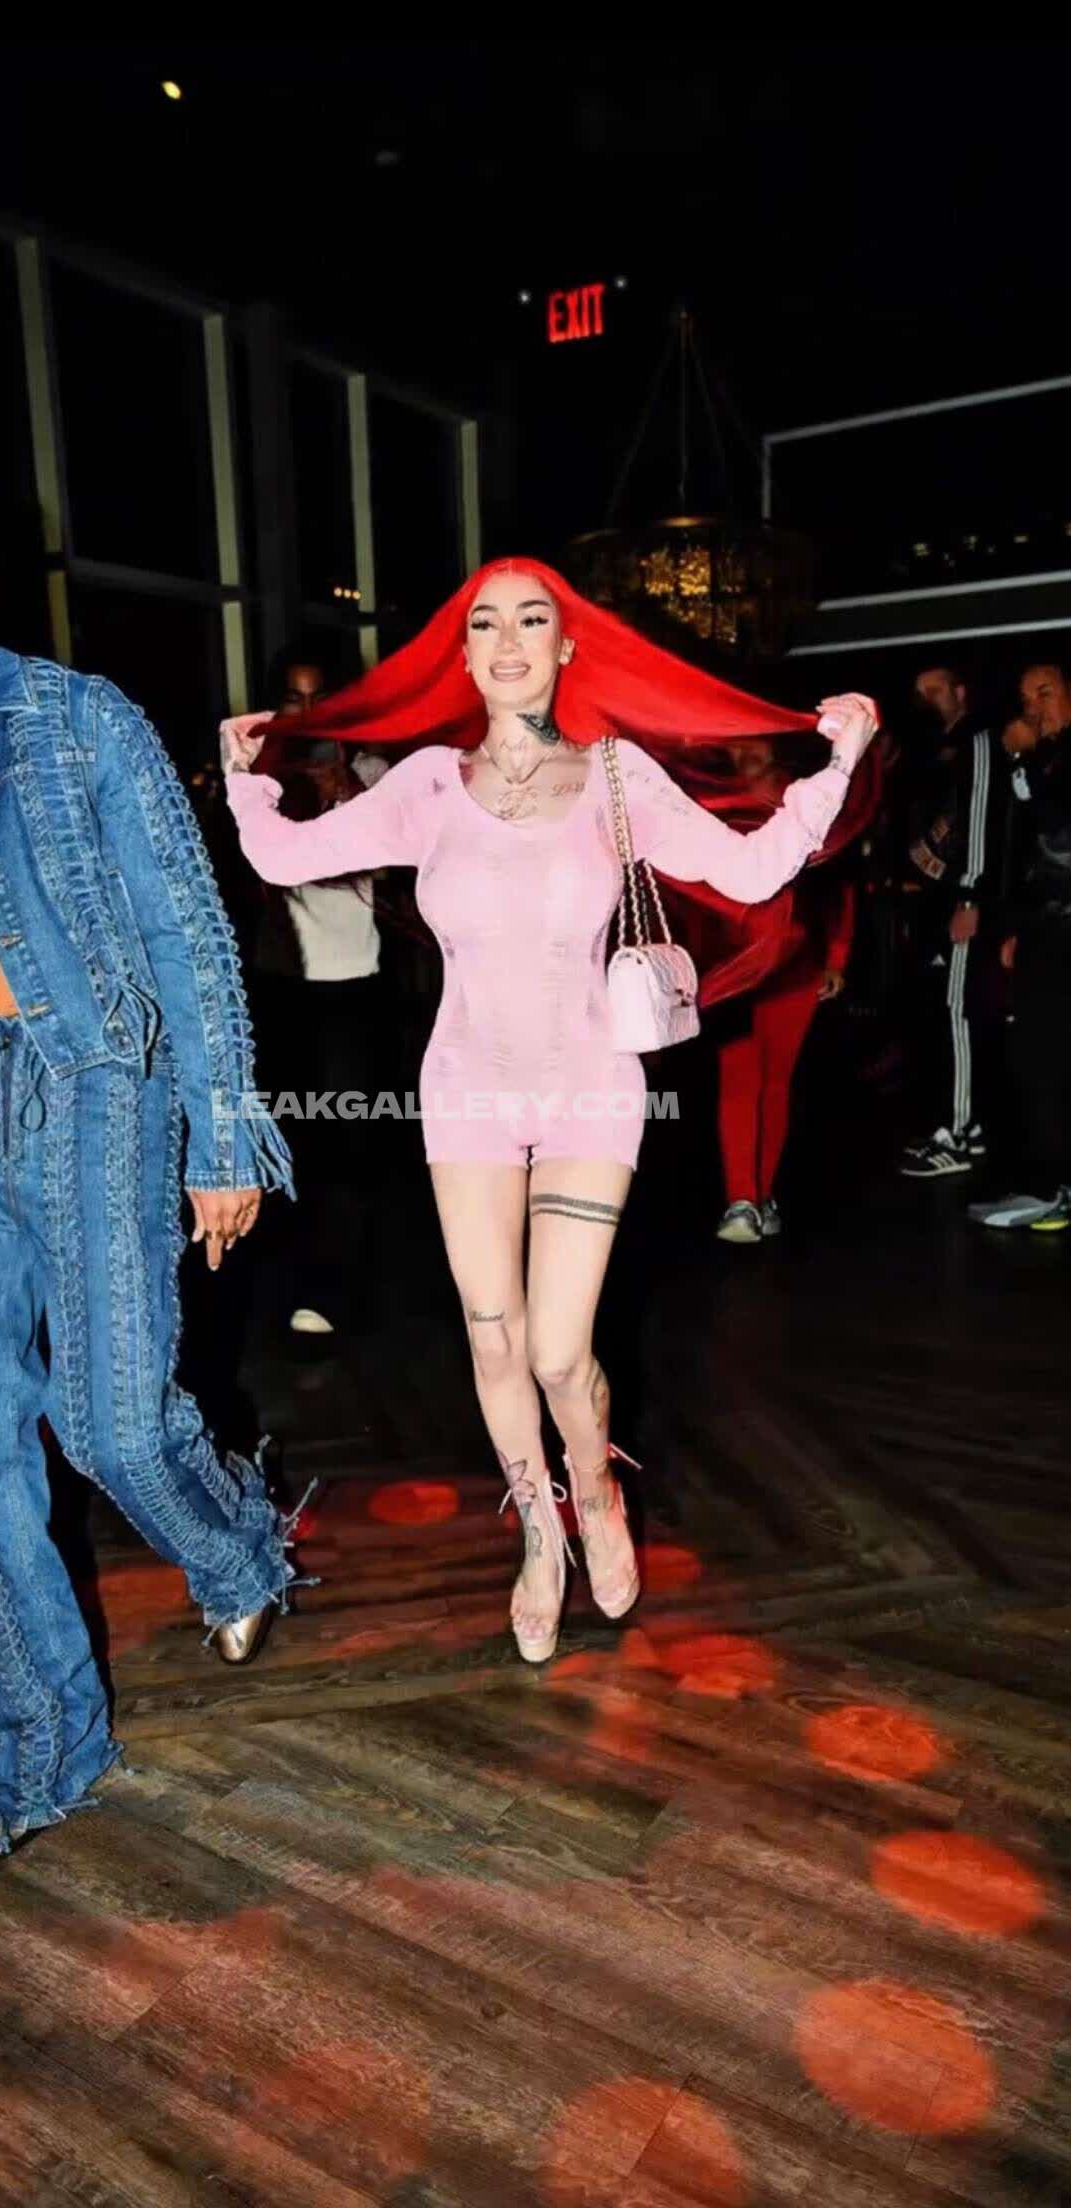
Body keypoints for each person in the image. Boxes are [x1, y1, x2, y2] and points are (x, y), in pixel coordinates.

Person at [220, 559, 877, 1664]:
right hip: (467, 1090)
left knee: (563, 1353)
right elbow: (283, 851)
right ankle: (538, 1532)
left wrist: (838, 761)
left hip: (587, 1087)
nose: (510, 640)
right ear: (464, 654)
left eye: (533, 621)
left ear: (568, 649)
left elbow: (755, 870)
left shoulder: (618, 777)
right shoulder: (429, 786)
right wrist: (248, 776)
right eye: (486, 624)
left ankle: (594, 1490)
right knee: (494, 1337)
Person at [0, 474, 295, 1880]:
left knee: (110, 1424)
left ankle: (236, 1550)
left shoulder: (78, 722)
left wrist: (223, 1137)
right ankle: (35, 1753)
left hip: (96, 1086)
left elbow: (190, 934)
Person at [245, 645, 390, 1337]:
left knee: (350, 1137)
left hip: (353, 979)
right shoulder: (260, 775)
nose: (306, 712)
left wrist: (350, 798)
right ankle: (292, 1281)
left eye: (318, 696)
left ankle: (333, 1292)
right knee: (287, 1133)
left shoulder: (372, 772)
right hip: (280, 980)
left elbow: (390, 865)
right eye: (292, 698)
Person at [712, 739, 856, 1244]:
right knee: (739, 1079)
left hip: (796, 964)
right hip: (732, 969)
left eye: (753, 743)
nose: (744, 753)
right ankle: (741, 1199)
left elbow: (840, 886)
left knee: (775, 1081)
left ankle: (761, 1194)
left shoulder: (808, 806)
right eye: (736, 745)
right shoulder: (712, 808)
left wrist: (837, 957)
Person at [970, 662, 1071, 1231]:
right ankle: (1049, 1183)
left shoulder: (1051, 760)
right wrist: (1016, 926)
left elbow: (1060, 834)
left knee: (1048, 1059)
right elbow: (1022, 850)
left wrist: (1024, 760)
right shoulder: (1046, 760)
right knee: (1036, 1058)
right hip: (1044, 929)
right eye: (1026, 698)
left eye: (1046, 693)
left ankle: (1053, 1188)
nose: (1034, 708)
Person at [899, 664, 1008, 1178]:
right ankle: (969, 1125)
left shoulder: (978, 742)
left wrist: (970, 896)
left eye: (935, 689)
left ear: (961, 691)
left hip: (962, 902)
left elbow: (981, 821)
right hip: (934, 904)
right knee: (946, 1014)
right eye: (920, 692)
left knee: (959, 1012)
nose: (926, 698)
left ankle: (960, 1133)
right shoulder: (930, 751)